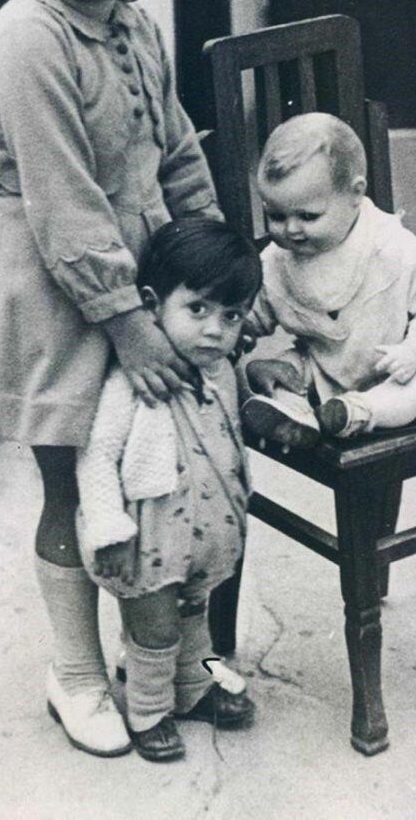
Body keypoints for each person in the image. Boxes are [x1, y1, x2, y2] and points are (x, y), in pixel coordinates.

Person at [0, 0, 223, 759]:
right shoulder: (28, 38)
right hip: (54, 290)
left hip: (133, 276)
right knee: (76, 479)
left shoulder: (131, 22)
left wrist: (221, 261)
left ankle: (164, 660)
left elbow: (175, 148)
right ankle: (75, 672)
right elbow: (67, 212)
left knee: (161, 472)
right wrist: (135, 327)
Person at [76, 217, 261, 762]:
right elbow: (97, 454)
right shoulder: (133, 381)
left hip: (203, 532)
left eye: (230, 316)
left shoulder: (222, 371)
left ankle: (197, 688)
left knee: (194, 620)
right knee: (154, 629)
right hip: (149, 533)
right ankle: (149, 711)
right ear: (153, 304)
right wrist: (108, 525)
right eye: (197, 309)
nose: (213, 330)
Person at [241, 112, 416, 446]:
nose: (290, 229)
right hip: (324, 366)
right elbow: (254, 313)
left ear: (355, 194)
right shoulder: (275, 261)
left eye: (308, 216)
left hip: (410, 366)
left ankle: (359, 411)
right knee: (291, 368)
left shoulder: (393, 248)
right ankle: (296, 414)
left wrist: (413, 352)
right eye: (276, 215)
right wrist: (238, 329)